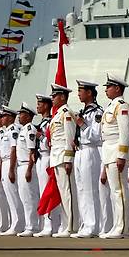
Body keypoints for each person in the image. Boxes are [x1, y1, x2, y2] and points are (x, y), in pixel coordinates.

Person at [100, 74, 129, 239]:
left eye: (109, 86)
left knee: (120, 190)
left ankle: (122, 227)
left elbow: (125, 131)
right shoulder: (111, 106)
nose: (106, 89)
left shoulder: (121, 105)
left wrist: (122, 155)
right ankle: (117, 224)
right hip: (108, 150)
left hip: (116, 151)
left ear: (117, 88)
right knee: (114, 191)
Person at [72, 80, 104, 238]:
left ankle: (92, 226)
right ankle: (85, 224)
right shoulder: (83, 111)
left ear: (89, 93)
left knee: (90, 190)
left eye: (81, 90)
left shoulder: (97, 112)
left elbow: (96, 135)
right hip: (80, 151)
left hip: (91, 151)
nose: (78, 93)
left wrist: (82, 125)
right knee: (81, 189)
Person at [49, 84, 78, 238]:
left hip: (63, 157)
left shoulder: (66, 113)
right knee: (63, 193)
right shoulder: (58, 114)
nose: (52, 98)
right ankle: (66, 224)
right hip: (56, 157)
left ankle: (71, 226)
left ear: (62, 97)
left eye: (55, 96)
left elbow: (70, 137)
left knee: (68, 193)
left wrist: (68, 158)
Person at [34, 94, 60, 237]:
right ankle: (46, 224)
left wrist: (41, 137)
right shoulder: (43, 123)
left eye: (39, 104)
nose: (37, 106)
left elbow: (51, 142)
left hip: (48, 157)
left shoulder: (50, 122)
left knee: (48, 192)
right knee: (42, 191)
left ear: (46, 105)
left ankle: (50, 225)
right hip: (40, 157)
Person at [15, 102, 41, 237]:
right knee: (24, 197)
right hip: (21, 165)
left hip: (27, 165)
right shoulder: (23, 129)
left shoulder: (30, 128)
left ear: (28, 115)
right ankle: (29, 225)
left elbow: (32, 151)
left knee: (30, 197)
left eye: (22, 114)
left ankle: (33, 226)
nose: (19, 116)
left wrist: (29, 169)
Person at [0, 105, 25, 235]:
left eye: (4, 116)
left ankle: (18, 224)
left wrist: (11, 169)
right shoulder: (7, 131)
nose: (1, 118)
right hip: (4, 162)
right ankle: (14, 223)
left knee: (14, 195)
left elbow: (13, 149)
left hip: (10, 162)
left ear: (10, 117)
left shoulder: (13, 130)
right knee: (9, 195)